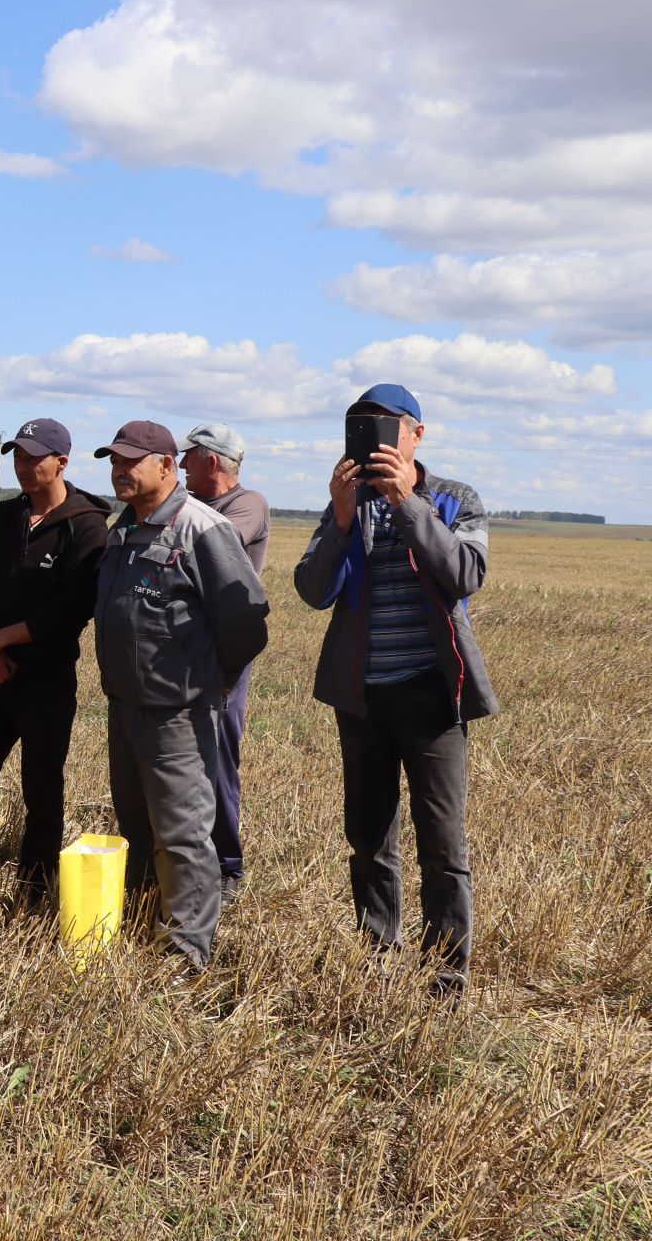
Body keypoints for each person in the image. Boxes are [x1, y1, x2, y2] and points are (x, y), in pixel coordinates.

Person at [293, 383, 496, 997]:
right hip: (362, 697)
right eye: (358, 427)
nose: (370, 439)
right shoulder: (346, 505)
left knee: (442, 837)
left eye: (382, 427)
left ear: (416, 434)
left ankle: (446, 972)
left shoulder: (454, 499)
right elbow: (311, 587)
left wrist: (409, 503)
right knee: (369, 834)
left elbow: (464, 574)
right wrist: (343, 518)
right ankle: (378, 957)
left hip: (434, 697)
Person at [93, 420, 268, 975]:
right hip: (124, 707)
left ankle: (186, 953)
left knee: (184, 835)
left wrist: (215, 680)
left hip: (178, 712)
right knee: (137, 826)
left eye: (130, 461)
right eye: (114, 462)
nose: (119, 470)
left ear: (167, 466)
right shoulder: (123, 530)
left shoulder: (202, 529)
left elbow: (247, 623)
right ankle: (146, 924)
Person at [0, 418, 110, 915]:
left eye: (32, 458)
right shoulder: (1, 517)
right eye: (16, 456)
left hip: (44, 681)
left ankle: (34, 892)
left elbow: (70, 610)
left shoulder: (87, 527)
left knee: (42, 789)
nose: (22, 466)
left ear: (61, 462)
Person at [179, 422, 272, 902]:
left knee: (217, 756)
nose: (178, 465)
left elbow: (208, 548)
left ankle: (228, 865)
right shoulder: (192, 506)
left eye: (187, 456)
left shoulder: (246, 504)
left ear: (212, 460)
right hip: (184, 648)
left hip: (224, 652)